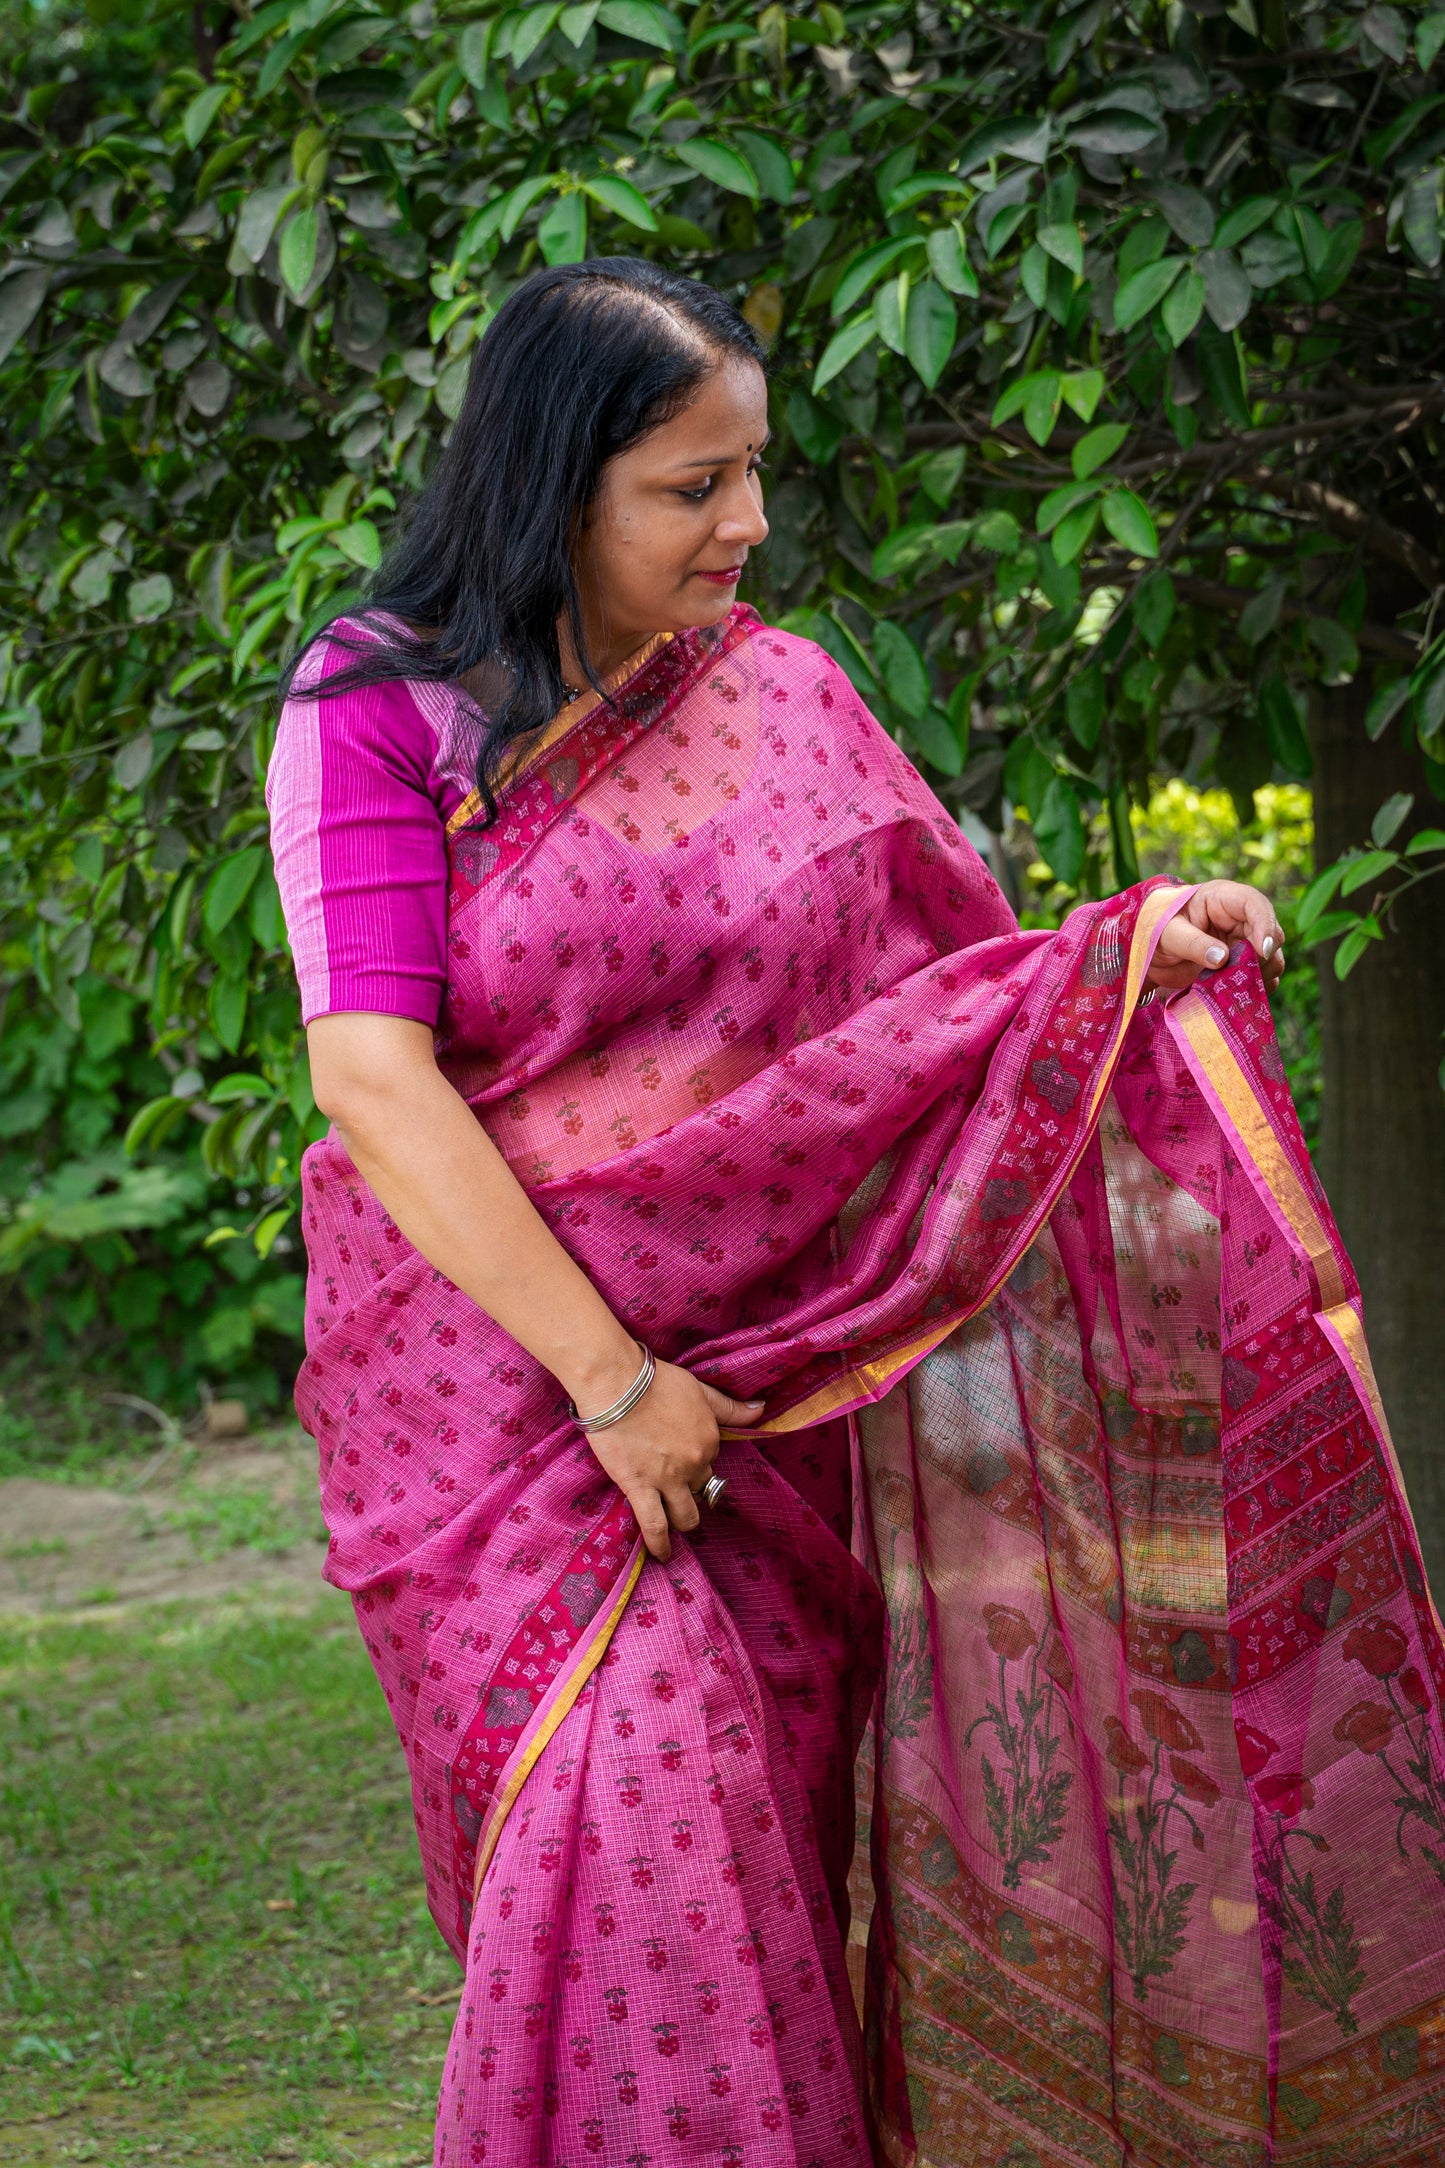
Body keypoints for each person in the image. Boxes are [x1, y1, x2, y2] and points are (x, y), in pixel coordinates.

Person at [267, 258, 1445, 2168]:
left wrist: (1114, 961)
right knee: (643, 1821)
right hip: (506, 1410)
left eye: (752, 473)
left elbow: (918, 1009)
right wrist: (608, 1381)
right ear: (550, 481)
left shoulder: (780, 701)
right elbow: (370, 1078)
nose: (746, 523)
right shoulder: (380, 705)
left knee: (757, 1880)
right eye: (687, 486)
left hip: (772, 1401)